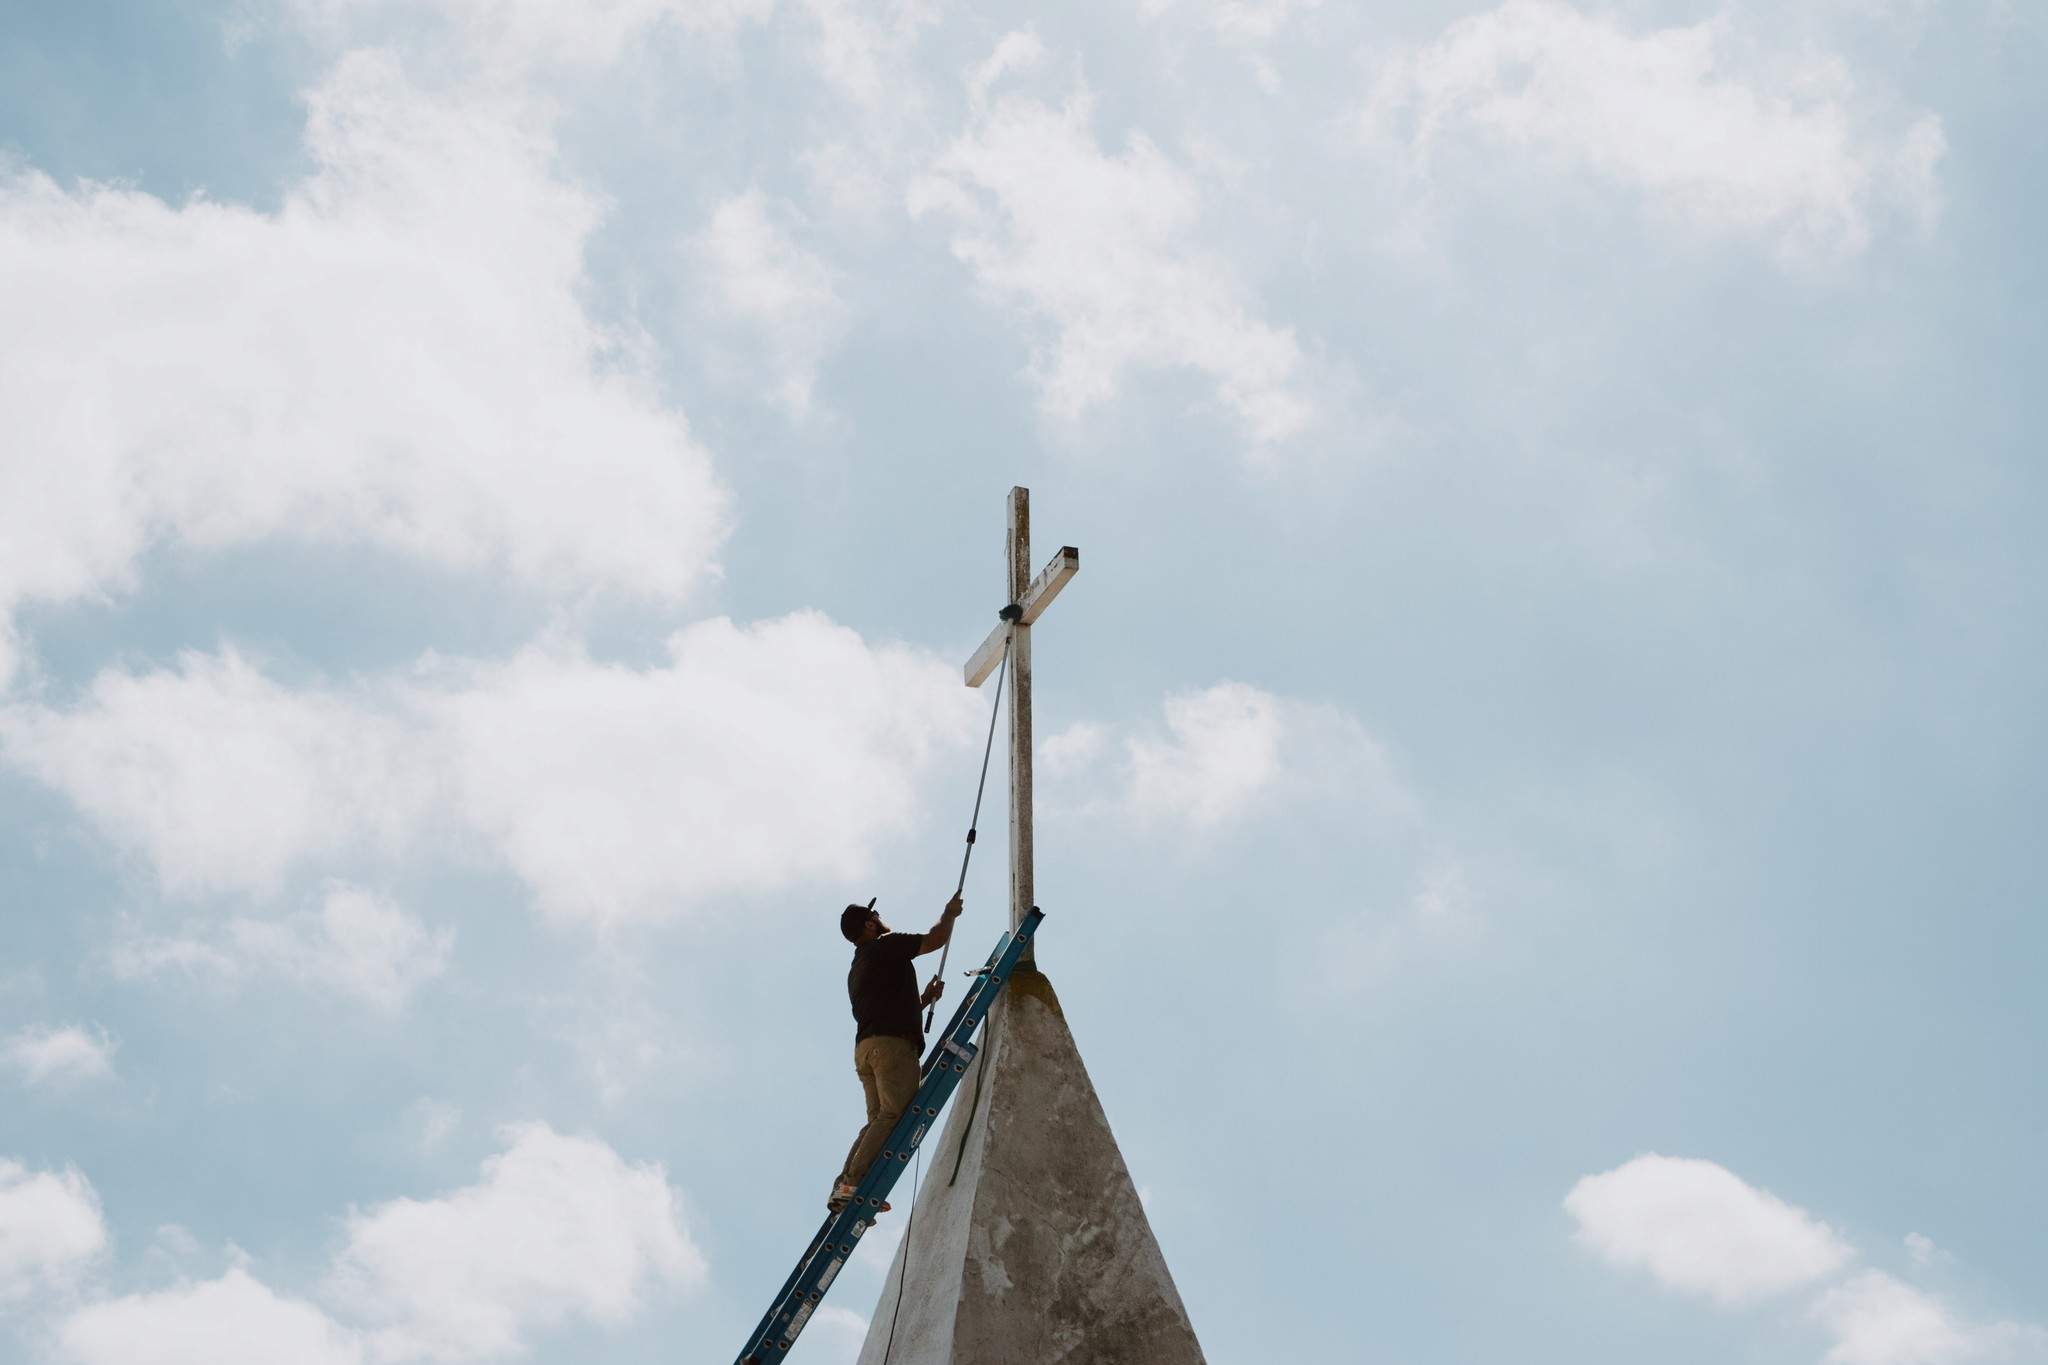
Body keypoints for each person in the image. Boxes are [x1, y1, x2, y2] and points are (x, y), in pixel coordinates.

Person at [828, 893, 962, 1213]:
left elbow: (884, 1011)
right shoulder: (884, 946)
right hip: (891, 1047)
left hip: (867, 1049)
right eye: (876, 917)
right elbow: (936, 939)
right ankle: (852, 1181)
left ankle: (844, 1185)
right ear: (870, 924)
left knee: (879, 1120)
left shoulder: (859, 966)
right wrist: (948, 914)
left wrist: (924, 1001)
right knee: (893, 1116)